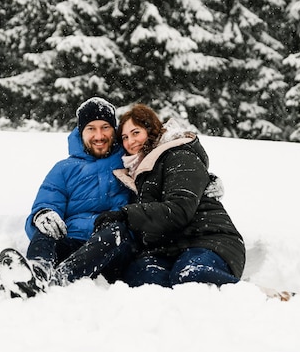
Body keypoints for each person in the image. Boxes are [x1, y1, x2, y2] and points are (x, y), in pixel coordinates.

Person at [95, 103, 245, 287]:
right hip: (165, 249)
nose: (130, 141)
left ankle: (260, 297)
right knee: (142, 281)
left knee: (191, 277)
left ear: (151, 130)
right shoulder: (135, 173)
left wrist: (126, 214)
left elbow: (179, 209)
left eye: (136, 132)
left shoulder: (179, 154)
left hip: (209, 239)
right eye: (124, 137)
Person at [0, 97, 134, 298]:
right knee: (46, 225)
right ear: (80, 132)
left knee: (115, 230)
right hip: (72, 244)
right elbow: (46, 203)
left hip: (112, 250)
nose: (99, 135)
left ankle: (57, 281)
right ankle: (37, 271)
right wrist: (42, 215)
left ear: (114, 130)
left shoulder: (130, 162)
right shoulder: (63, 170)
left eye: (105, 127)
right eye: (91, 129)